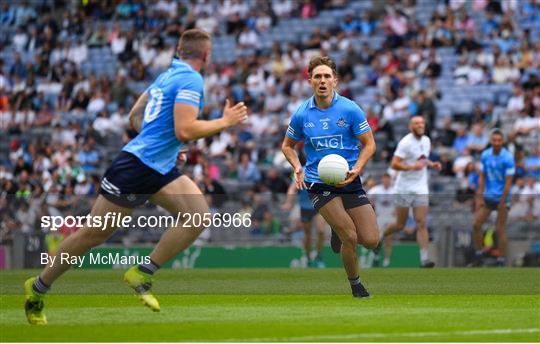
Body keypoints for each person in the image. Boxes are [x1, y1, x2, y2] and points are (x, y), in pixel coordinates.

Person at [24, 29, 248, 325]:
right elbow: (184, 130)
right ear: (206, 55)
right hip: (135, 168)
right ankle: (38, 288)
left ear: (180, 51)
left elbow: (134, 114)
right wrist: (224, 121)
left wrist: (165, 145)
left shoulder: (167, 75)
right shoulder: (191, 79)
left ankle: (142, 272)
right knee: (93, 235)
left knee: (197, 215)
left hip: (157, 166)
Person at [281, 56, 379, 298]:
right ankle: (356, 285)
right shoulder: (302, 114)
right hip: (318, 181)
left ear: (335, 80)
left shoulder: (350, 109)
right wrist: (297, 166)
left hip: (349, 178)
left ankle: (337, 228)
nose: (322, 81)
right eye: (317, 77)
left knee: (371, 240)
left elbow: (369, 145)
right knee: (350, 236)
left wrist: (358, 167)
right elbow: (287, 146)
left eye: (327, 76)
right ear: (310, 81)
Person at [374, 116, 441, 268]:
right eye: (417, 123)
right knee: (399, 225)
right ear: (411, 126)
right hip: (403, 187)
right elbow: (394, 164)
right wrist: (412, 168)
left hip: (420, 187)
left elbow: (422, 159)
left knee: (421, 222)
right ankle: (382, 237)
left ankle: (424, 259)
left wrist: (432, 164)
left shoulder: (426, 141)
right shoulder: (405, 143)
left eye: (422, 122)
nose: (420, 125)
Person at [470, 129, 514, 267]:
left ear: (503, 142)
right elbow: (482, 176)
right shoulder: (485, 155)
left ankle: (501, 260)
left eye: (499, 141)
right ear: (490, 141)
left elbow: (508, 183)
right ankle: (479, 255)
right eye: (494, 140)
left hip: (502, 197)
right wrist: (480, 197)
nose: (496, 143)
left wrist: (502, 202)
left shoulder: (507, 158)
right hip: (488, 196)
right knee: (476, 225)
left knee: (499, 229)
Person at [282, 154, 327, 268]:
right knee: (307, 234)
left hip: (318, 206)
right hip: (305, 208)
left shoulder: (323, 171)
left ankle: (318, 255)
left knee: (321, 231)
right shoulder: (301, 171)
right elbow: (292, 189)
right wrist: (288, 202)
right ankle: (307, 256)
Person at [367, 173, 394, 267]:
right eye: (385, 179)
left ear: (390, 180)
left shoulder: (395, 190)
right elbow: (367, 199)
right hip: (380, 216)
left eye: (388, 179)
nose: (386, 181)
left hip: (391, 217)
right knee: (377, 238)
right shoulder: (376, 189)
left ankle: (387, 260)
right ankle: (376, 254)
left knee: (389, 239)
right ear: (382, 180)